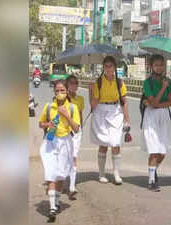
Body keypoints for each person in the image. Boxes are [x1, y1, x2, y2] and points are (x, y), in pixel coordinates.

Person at [39, 80, 80, 221]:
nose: (60, 93)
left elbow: (76, 128)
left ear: (67, 92)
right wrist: (47, 124)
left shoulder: (73, 108)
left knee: (61, 174)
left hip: (66, 142)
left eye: (62, 90)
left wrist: (67, 116)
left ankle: (56, 202)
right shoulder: (49, 107)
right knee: (51, 173)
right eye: (57, 91)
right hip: (50, 141)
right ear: (54, 93)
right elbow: (40, 123)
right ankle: (51, 208)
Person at [90, 56, 130, 185]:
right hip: (101, 111)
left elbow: (124, 102)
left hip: (116, 112)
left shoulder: (120, 82)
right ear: (103, 67)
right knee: (103, 143)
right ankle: (101, 174)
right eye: (106, 66)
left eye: (110, 66)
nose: (108, 69)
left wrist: (127, 119)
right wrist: (91, 92)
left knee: (115, 143)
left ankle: (116, 174)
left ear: (114, 67)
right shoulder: (98, 82)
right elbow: (93, 104)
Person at [142, 54, 171, 192]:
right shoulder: (147, 83)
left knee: (162, 152)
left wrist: (157, 104)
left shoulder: (168, 81)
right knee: (154, 151)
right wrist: (162, 88)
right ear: (151, 66)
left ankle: (153, 171)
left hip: (163, 117)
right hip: (151, 118)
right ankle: (151, 181)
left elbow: (170, 102)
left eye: (161, 65)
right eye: (156, 65)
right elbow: (153, 103)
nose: (159, 67)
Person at [66, 75, 84, 200]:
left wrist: (80, 127)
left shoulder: (80, 99)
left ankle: (72, 185)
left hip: (76, 131)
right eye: (71, 83)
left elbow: (80, 114)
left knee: (74, 157)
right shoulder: (62, 99)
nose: (74, 85)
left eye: (76, 83)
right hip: (64, 132)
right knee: (63, 156)